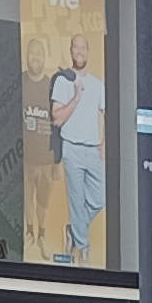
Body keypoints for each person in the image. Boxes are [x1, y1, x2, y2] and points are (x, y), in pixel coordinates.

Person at [47, 37, 107, 267]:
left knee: (99, 198)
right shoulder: (63, 81)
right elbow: (57, 118)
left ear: (88, 51)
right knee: (76, 200)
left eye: (83, 47)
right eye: (76, 47)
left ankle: (73, 231)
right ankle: (83, 249)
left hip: (93, 149)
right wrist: (77, 97)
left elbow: (103, 115)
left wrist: (103, 144)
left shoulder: (98, 84)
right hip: (71, 148)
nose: (79, 51)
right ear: (71, 51)